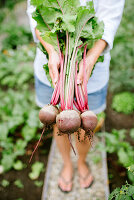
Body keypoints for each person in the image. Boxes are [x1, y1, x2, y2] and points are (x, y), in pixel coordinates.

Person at [27, 0, 125, 193]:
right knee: (57, 124)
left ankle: (81, 161)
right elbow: (35, 12)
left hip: (90, 71)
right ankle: (67, 164)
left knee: (86, 128)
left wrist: (89, 61)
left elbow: (110, 18)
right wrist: (52, 50)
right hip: (53, 69)